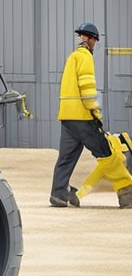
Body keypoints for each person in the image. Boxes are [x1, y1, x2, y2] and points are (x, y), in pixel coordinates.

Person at [49, 22, 131, 208]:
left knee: (66, 157)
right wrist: (95, 113)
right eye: (95, 40)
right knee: (106, 153)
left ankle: (59, 193)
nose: (94, 44)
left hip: (67, 117)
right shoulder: (85, 57)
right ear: (91, 39)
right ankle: (127, 192)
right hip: (82, 116)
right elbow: (86, 89)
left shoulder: (72, 57)